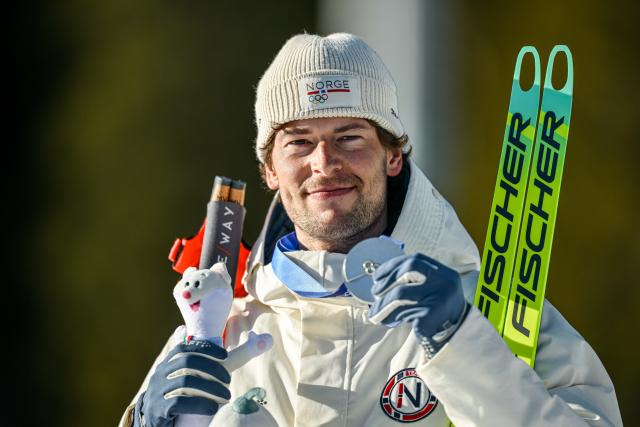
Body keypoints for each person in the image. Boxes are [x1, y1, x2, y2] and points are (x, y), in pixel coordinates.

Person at [120, 33, 622, 426]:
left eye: (350, 136)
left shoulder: (487, 310)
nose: (324, 162)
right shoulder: (221, 329)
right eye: (298, 142)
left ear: (393, 155)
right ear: (270, 170)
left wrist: (462, 345)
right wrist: (147, 421)